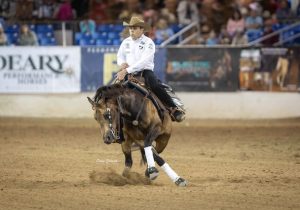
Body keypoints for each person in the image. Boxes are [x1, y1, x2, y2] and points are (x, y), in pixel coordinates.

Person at [116, 16, 185, 123]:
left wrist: (126, 71)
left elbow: (143, 62)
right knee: (115, 90)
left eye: (134, 28)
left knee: (155, 86)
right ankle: (115, 124)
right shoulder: (126, 42)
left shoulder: (148, 43)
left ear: (142, 29)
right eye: (130, 28)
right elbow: (120, 56)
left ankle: (174, 109)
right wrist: (122, 63)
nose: (131, 30)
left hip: (145, 72)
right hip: (128, 72)